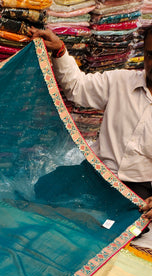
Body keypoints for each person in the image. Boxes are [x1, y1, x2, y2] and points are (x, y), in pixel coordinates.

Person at [31, 26, 152, 222]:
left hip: (136, 187)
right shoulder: (122, 81)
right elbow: (78, 87)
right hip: (96, 174)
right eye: (150, 55)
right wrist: (59, 50)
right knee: (44, 189)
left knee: (113, 228)